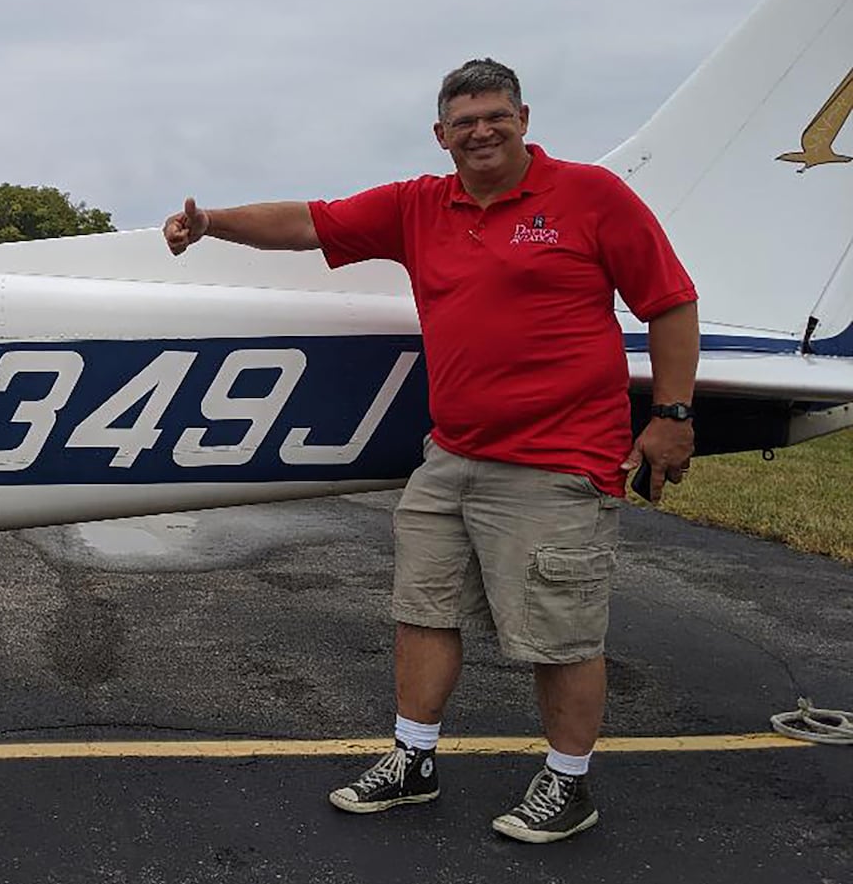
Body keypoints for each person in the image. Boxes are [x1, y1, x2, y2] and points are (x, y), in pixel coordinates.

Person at [163, 58, 698, 844]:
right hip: (452, 454)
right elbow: (309, 222)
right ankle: (413, 760)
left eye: (496, 116)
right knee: (425, 611)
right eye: (465, 120)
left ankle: (569, 782)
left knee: (559, 631)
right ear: (441, 134)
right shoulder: (421, 205)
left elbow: (670, 300)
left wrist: (672, 414)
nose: (482, 131)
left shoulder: (590, 196)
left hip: (557, 458)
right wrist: (211, 223)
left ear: (523, 119)